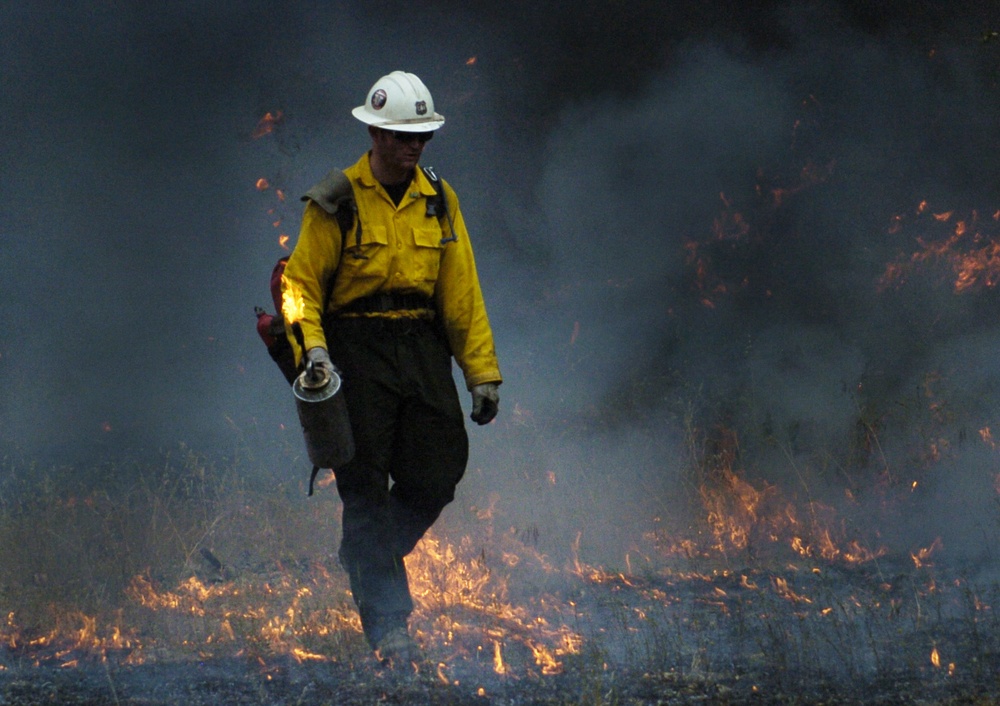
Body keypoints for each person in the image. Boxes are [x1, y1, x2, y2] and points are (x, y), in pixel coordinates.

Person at [281, 70, 502, 664]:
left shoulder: (438, 197)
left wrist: (480, 371)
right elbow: (300, 284)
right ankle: (389, 630)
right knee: (365, 490)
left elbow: (461, 291)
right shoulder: (336, 201)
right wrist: (316, 354)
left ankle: (365, 555)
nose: (415, 146)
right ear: (375, 132)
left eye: (423, 136)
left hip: (420, 348)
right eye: (404, 136)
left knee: (439, 472)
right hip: (356, 351)